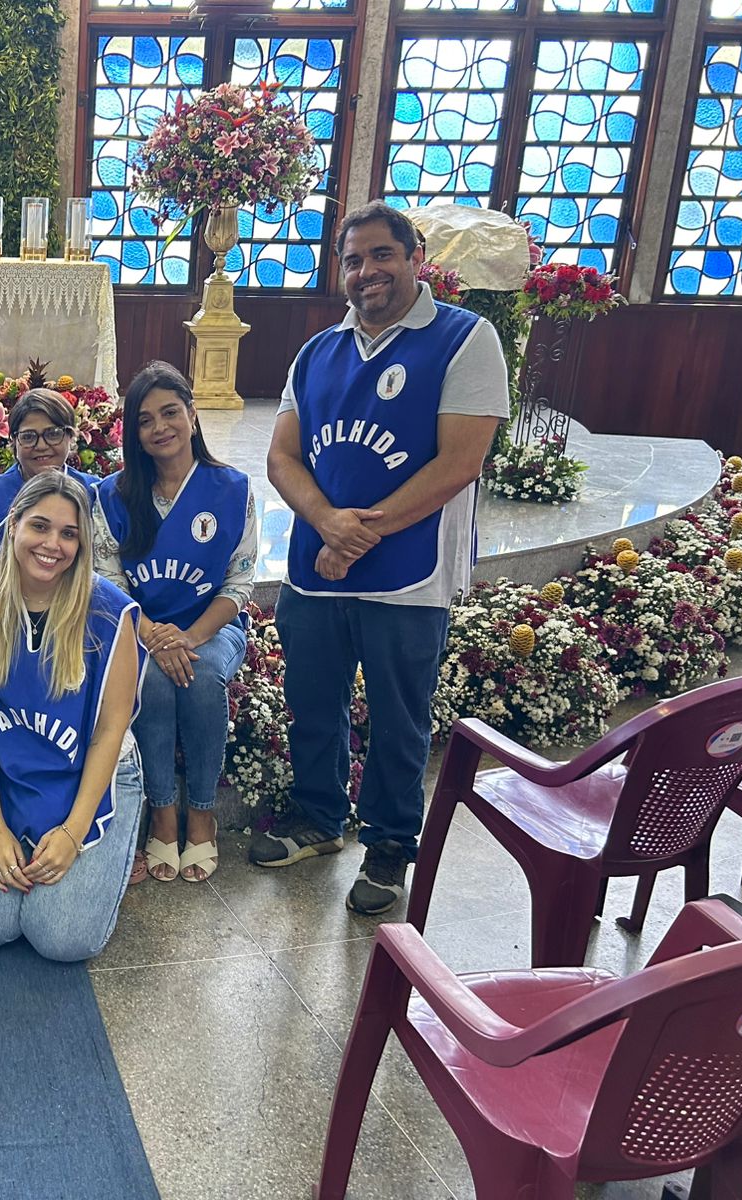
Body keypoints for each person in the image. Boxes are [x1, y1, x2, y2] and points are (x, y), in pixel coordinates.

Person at [251, 200, 508, 916]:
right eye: (354, 259)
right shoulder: (317, 352)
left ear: (415, 257)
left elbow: (460, 462)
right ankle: (318, 817)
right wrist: (326, 523)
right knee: (312, 701)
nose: (367, 271)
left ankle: (391, 843)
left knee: (399, 716)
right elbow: (281, 456)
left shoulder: (464, 339)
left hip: (408, 574)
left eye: (382, 254)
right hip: (317, 565)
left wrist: (358, 535)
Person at [0, 471, 146, 962]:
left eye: (69, 533)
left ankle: (105, 862)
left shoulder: (111, 612)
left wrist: (73, 833)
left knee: (60, 939)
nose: (53, 544)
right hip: (13, 770)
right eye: (40, 526)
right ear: (13, 524)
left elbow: (109, 730)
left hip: (94, 774)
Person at [93, 361, 257, 884]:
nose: (160, 427)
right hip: (139, 629)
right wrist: (152, 636)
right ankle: (163, 812)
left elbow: (240, 582)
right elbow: (108, 582)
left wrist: (187, 637)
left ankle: (202, 814)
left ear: (192, 414)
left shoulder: (232, 488)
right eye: (145, 420)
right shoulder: (112, 496)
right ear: (133, 434)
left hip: (211, 628)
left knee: (202, 675)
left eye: (170, 413)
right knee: (151, 682)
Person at [0, 387, 97, 581]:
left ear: (70, 437)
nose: (41, 445)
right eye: (28, 437)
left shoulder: (95, 492)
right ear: (14, 442)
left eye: (53, 434)